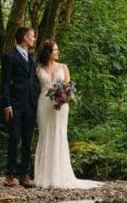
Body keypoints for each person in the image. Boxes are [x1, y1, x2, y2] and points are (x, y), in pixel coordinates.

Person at [33, 39, 102, 189]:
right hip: (44, 104)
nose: (58, 52)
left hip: (61, 105)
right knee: (45, 136)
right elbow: (35, 88)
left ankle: (59, 175)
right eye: (55, 50)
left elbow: (68, 87)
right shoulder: (38, 69)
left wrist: (65, 97)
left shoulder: (63, 67)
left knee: (59, 135)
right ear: (48, 53)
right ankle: (44, 177)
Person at [0, 26, 39, 187]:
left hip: (30, 104)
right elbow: (4, 84)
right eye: (32, 36)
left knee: (27, 140)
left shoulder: (31, 58)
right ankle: (10, 174)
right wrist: (7, 104)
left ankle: (24, 174)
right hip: (15, 105)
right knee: (14, 138)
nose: (34, 39)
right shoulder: (10, 57)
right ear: (24, 37)